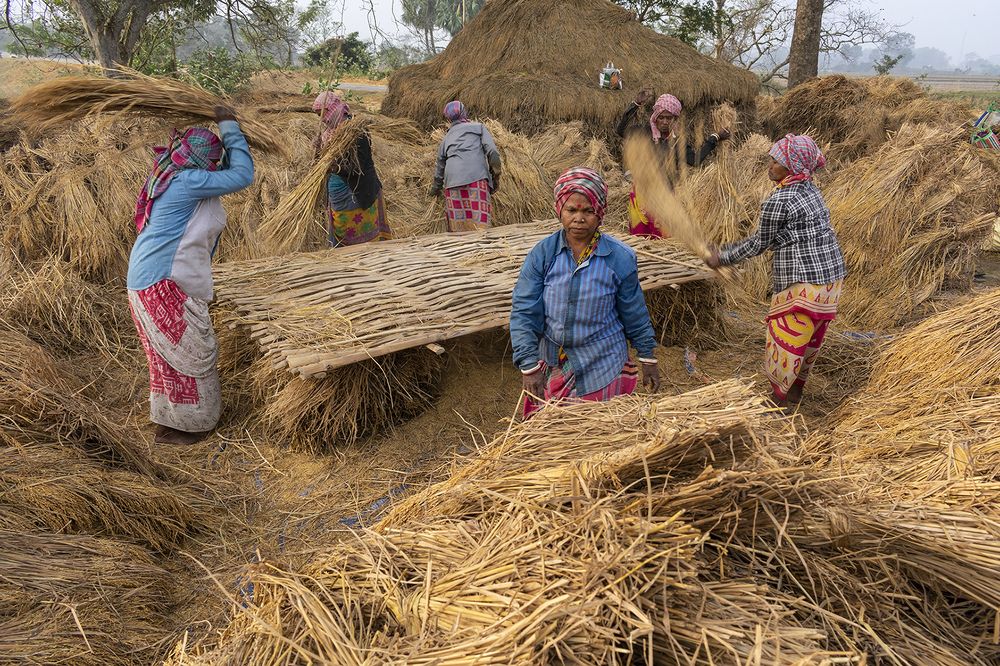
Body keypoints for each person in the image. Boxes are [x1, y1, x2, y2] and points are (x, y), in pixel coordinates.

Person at [127, 106, 254, 444]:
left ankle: (171, 420)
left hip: (148, 275)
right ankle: (195, 425)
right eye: (212, 163)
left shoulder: (177, 174)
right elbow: (242, 175)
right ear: (201, 163)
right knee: (191, 351)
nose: (215, 170)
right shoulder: (187, 181)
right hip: (162, 280)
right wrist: (229, 125)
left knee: (166, 354)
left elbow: (227, 174)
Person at [706, 134, 847, 408]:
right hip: (831, 282)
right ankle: (795, 393)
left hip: (803, 282)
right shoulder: (812, 190)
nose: (770, 165)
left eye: (777, 161)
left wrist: (721, 257)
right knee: (809, 342)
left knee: (785, 342)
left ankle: (778, 401)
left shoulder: (778, 200)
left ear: (793, 167)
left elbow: (760, 243)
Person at [510, 167, 662, 418]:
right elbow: (524, 310)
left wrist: (647, 357)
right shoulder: (543, 254)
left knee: (598, 437)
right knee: (551, 438)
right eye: (572, 210)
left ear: (600, 212)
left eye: (588, 211)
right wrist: (528, 365)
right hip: (553, 360)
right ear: (560, 210)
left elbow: (633, 311)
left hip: (602, 362)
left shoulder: (619, 257)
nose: (579, 218)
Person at [616, 89, 731, 238]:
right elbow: (621, 131)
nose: (664, 122)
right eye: (661, 117)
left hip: (665, 196)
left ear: (674, 119)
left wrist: (715, 137)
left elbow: (696, 160)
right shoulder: (643, 133)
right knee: (639, 238)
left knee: (660, 238)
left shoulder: (677, 142)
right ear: (655, 116)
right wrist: (636, 104)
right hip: (641, 196)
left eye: (669, 118)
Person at [312, 91, 392, 247]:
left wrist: (333, 166)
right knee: (341, 239)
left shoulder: (356, 130)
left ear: (333, 107)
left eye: (324, 112)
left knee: (363, 243)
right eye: (318, 114)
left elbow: (359, 167)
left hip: (357, 193)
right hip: (337, 197)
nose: (322, 118)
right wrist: (318, 150)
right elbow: (320, 163)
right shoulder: (328, 134)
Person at [430, 100, 502, 232]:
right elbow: (493, 152)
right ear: (464, 112)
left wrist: (435, 190)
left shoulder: (446, 139)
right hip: (477, 179)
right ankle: (482, 249)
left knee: (459, 229)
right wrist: (495, 175)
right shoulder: (479, 128)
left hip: (452, 184)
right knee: (481, 227)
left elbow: (439, 167)